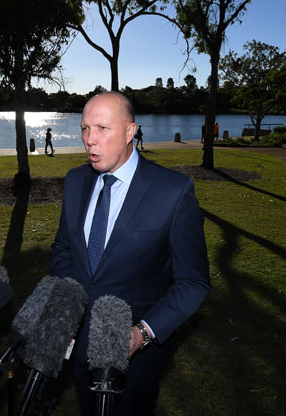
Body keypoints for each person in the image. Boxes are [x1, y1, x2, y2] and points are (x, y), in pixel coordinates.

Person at [48, 92, 210, 416]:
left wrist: (143, 333)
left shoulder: (173, 192)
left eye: (102, 128)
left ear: (130, 132)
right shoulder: (76, 180)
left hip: (138, 360)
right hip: (81, 347)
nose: (89, 140)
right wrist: (68, 303)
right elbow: (63, 249)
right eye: (84, 128)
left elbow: (193, 282)